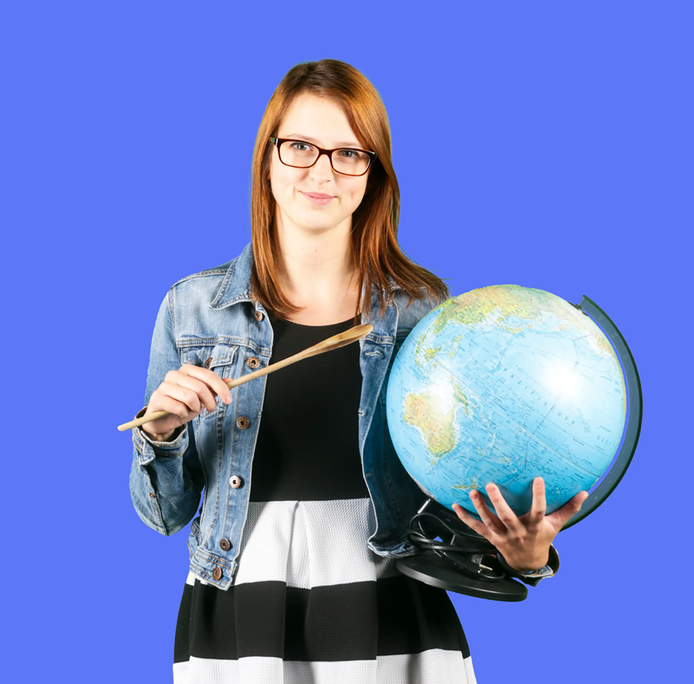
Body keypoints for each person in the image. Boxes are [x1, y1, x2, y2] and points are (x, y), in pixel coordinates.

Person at [127, 59, 587, 683]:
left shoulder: (423, 312)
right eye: (301, 147)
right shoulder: (190, 309)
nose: (323, 170)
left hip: (390, 607)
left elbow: (455, 497)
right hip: (243, 605)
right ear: (267, 157)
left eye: (350, 153)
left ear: (373, 173)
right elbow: (163, 514)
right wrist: (160, 433)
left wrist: (525, 559)